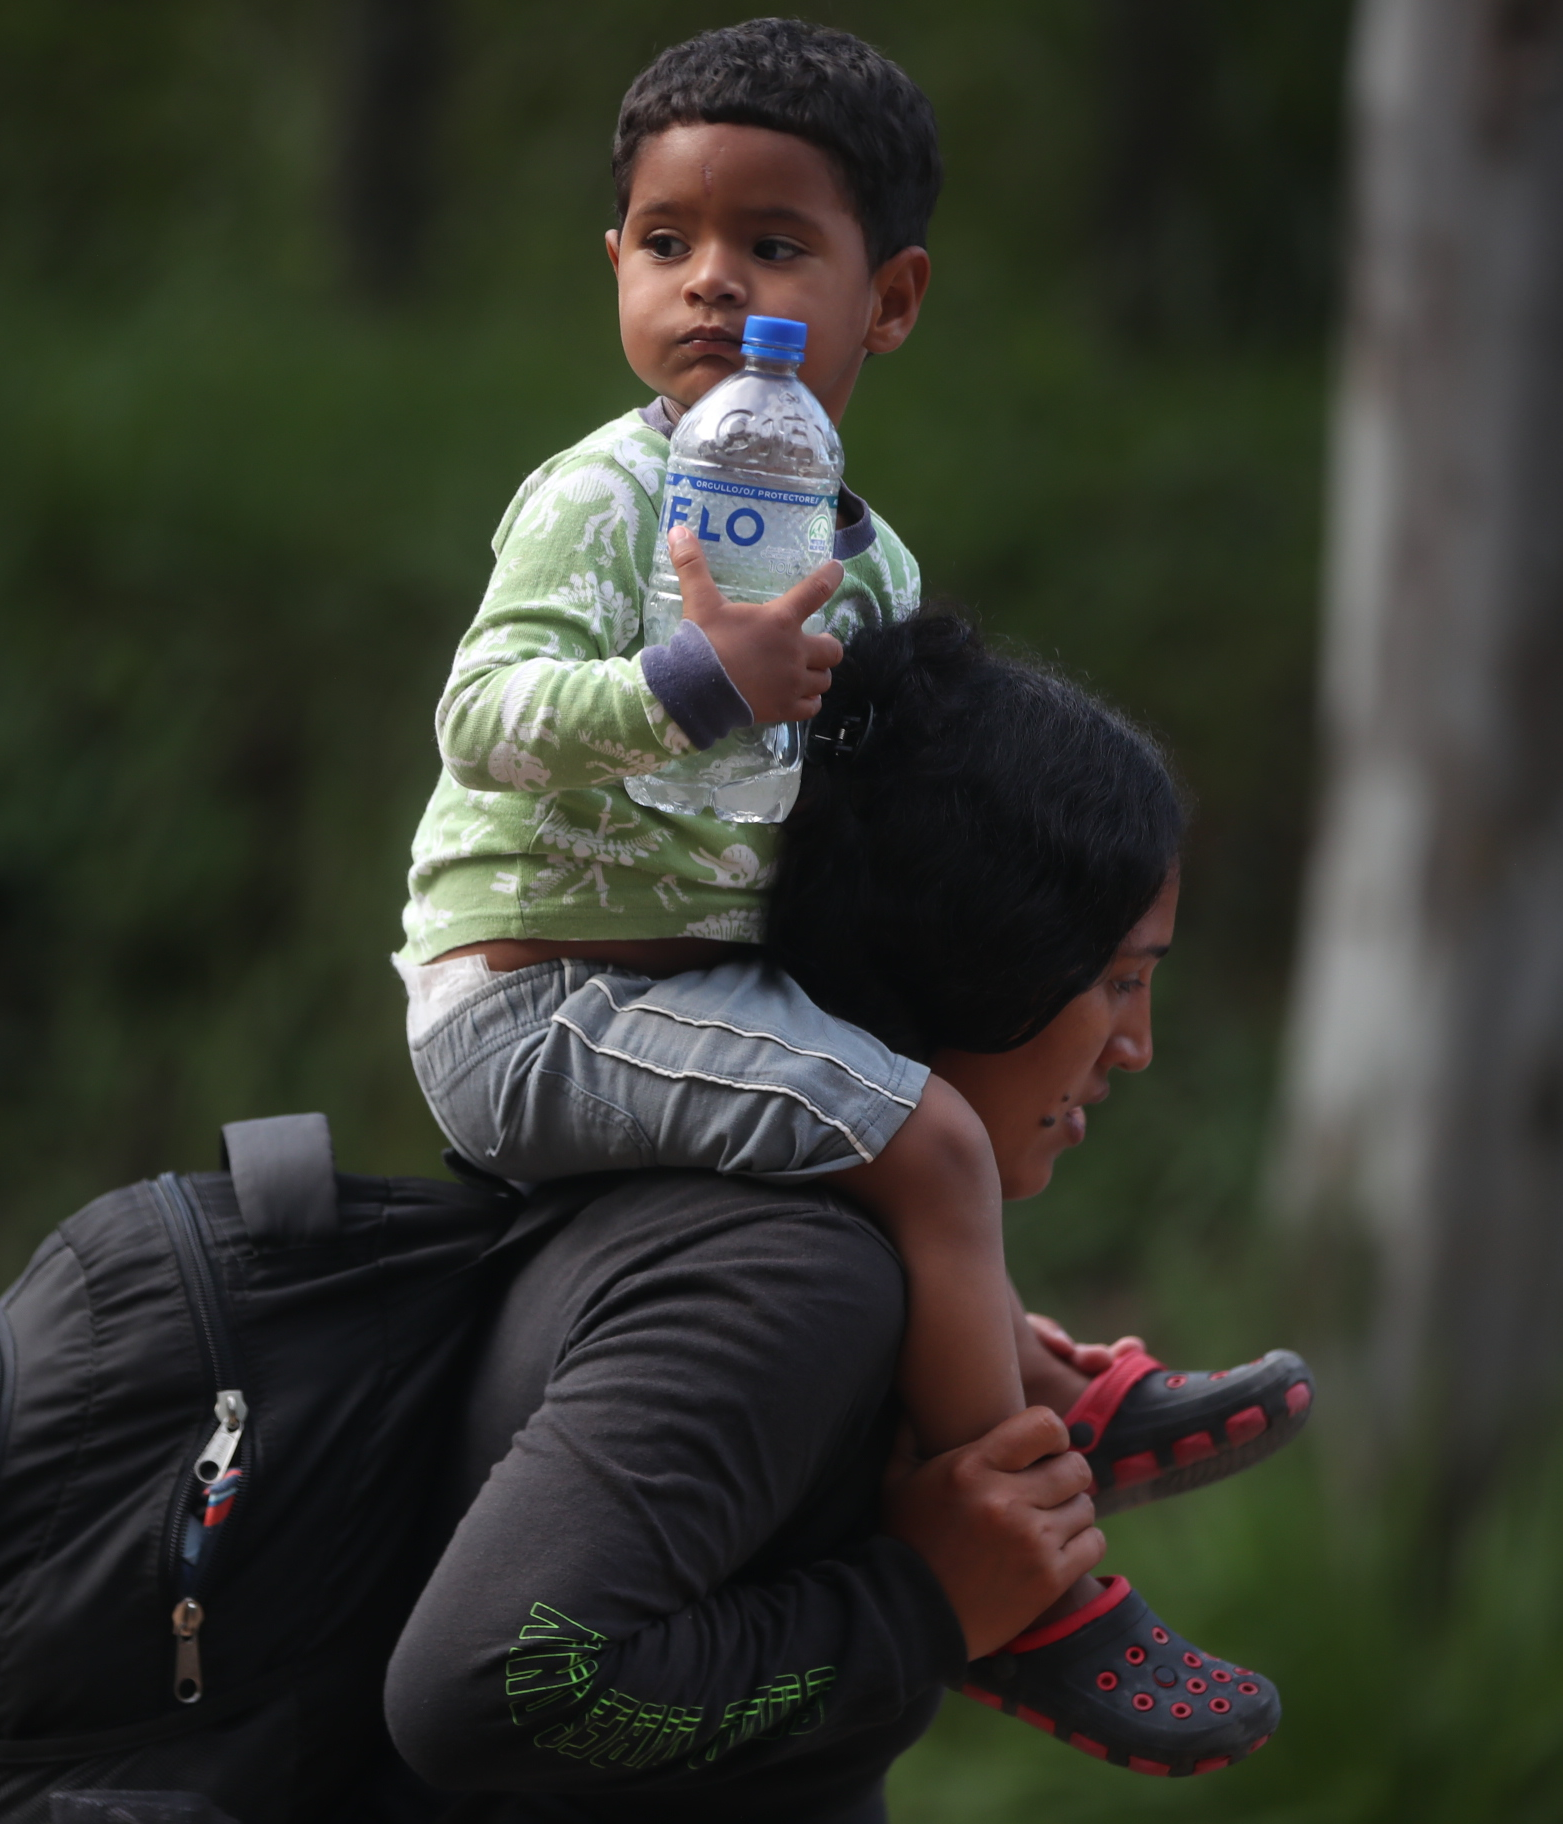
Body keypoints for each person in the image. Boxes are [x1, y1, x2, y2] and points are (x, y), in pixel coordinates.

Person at [393, 10, 1305, 1643]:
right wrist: (689, 682)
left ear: (892, 299)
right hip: (538, 999)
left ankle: (1041, 1381)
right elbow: (480, 717)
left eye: (773, 243)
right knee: (930, 1139)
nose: (712, 281)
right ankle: (1031, 1583)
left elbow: (889, 824)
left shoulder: (868, 564)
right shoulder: (595, 501)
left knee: (915, 1117)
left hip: (721, 992)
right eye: (667, 243)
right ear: (611, 266)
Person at [383, 617, 1294, 1820]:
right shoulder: (792, 1280)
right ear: (981, 956)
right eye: (1118, 979)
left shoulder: (754, 1218)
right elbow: (481, 1691)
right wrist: (923, 1605)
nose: (1136, 1047)